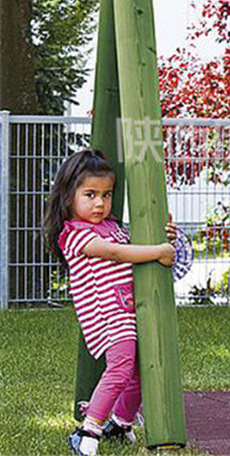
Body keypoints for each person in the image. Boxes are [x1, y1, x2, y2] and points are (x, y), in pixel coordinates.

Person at [42, 149, 176, 456]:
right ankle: (88, 430)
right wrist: (157, 250)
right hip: (106, 315)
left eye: (107, 194)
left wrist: (165, 236)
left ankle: (120, 422)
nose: (100, 203)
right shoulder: (73, 234)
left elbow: (134, 249)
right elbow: (116, 253)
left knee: (144, 367)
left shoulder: (113, 227)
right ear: (68, 196)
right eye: (90, 195)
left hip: (127, 311)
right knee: (121, 366)